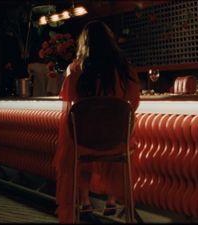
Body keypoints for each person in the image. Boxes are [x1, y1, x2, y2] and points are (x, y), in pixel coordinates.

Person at [53, 20, 141, 223]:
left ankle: (84, 201)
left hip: (83, 142)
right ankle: (113, 200)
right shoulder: (124, 69)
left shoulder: (75, 70)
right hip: (115, 142)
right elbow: (133, 104)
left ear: (84, 43)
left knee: (77, 153)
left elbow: (70, 106)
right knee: (125, 142)